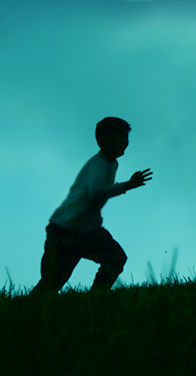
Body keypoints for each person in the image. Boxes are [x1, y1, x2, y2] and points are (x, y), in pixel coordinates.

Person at [30, 117, 153, 294]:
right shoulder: (98, 164)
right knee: (51, 282)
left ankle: (97, 297)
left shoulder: (112, 163)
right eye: (117, 137)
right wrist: (127, 185)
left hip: (83, 229)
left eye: (125, 137)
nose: (123, 142)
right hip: (66, 231)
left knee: (115, 258)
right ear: (102, 139)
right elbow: (96, 191)